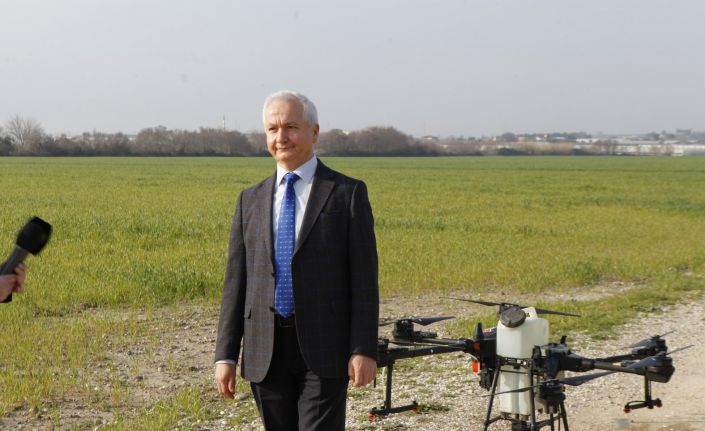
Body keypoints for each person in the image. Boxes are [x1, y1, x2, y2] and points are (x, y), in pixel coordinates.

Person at [214, 90, 379, 430]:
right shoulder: (249, 200)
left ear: (314, 132)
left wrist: (364, 348)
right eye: (272, 129)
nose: (281, 137)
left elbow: (364, 280)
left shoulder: (346, 194)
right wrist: (225, 354)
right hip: (265, 350)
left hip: (325, 349)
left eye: (290, 127)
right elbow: (236, 283)